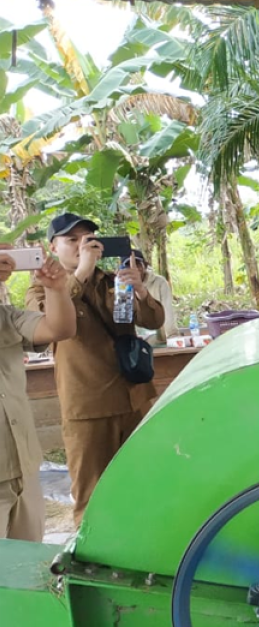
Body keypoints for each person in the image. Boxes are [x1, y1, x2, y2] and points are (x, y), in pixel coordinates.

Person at [28, 213, 165, 526]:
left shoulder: (111, 280)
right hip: (88, 407)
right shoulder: (41, 289)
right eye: (71, 240)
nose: (81, 245)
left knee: (144, 480)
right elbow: (54, 325)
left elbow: (152, 321)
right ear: (52, 246)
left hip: (134, 398)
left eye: (87, 239)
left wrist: (140, 290)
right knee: (92, 495)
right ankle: (91, 564)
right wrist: (81, 272)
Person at [0, 245, 75, 541]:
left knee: (27, 567)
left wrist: (56, 289)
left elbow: (60, 328)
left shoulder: (7, 318)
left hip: (24, 469)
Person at [131, 249, 177, 340]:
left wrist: (172, 335)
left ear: (145, 265)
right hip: (136, 340)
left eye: (138, 264)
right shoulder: (120, 288)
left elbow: (167, 310)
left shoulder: (160, 282)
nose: (134, 269)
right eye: (128, 265)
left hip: (160, 337)